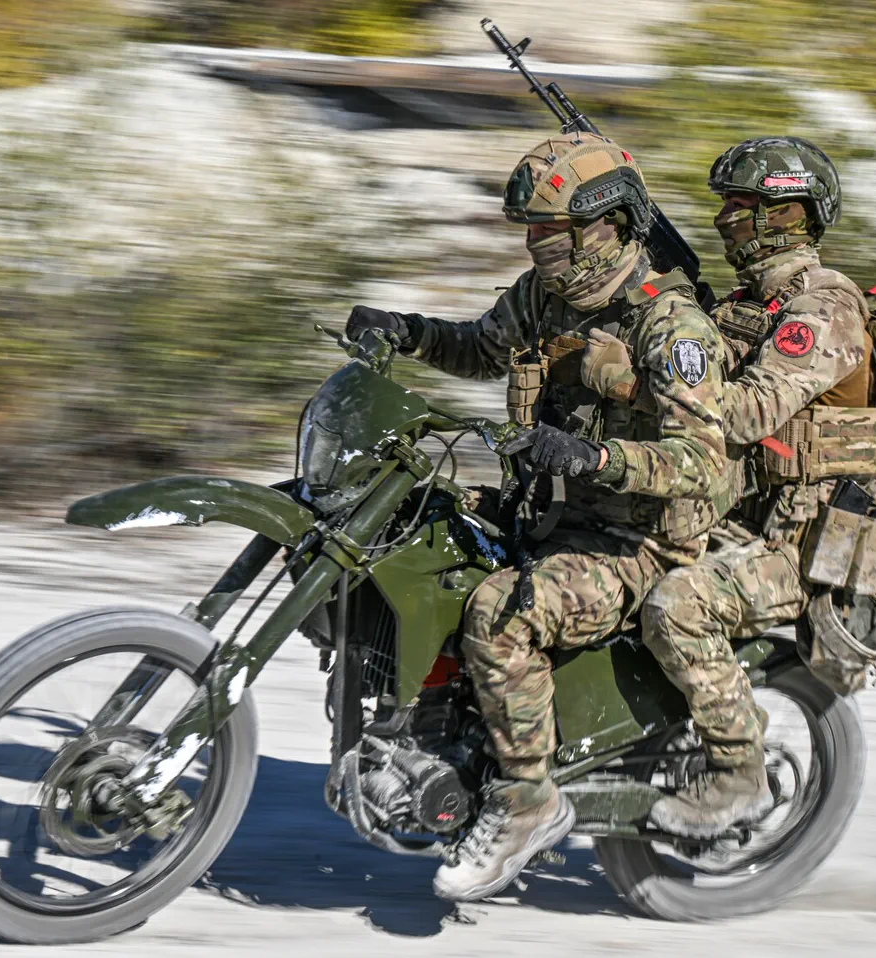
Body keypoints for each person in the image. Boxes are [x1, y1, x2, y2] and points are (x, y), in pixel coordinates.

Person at [344, 132, 741, 901]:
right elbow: (479, 350)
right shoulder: (543, 297)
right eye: (533, 231)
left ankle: (528, 800)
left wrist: (595, 458)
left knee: (500, 614)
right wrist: (406, 330)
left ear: (608, 226)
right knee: (415, 540)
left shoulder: (670, 326)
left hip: (640, 542)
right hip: (553, 516)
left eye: (553, 233)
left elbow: (702, 462)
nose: (537, 246)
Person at [625, 136, 876, 838]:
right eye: (727, 204)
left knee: (677, 607)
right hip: (737, 520)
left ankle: (740, 776)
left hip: (799, 548)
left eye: (743, 205)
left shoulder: (825, 308)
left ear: (787, 214)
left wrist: (645, 381)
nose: (725, 218)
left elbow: (745, 413)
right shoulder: (749, 303)